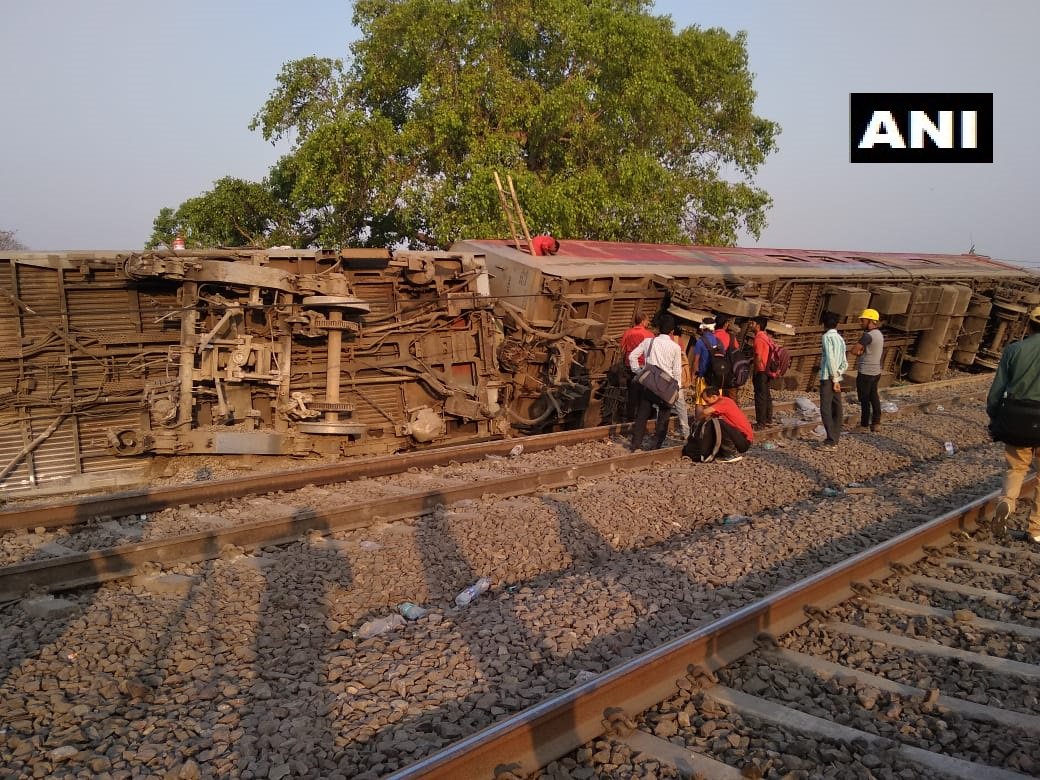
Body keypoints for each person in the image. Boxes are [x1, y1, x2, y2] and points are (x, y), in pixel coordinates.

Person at [987, 305, 1040, 544]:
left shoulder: (1014, 350)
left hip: (1016, 417)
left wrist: (994, 417)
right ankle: (1036, 529)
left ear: (1029, 324)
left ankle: (1006, 503)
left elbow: (997, 390)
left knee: (1016, 468)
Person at [627, 314, 683, 451]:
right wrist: (678, 387)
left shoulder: (649, 342)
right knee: (663, 416)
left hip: (649, 384)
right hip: (666, 386)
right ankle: (656, 445)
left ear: (658, 329)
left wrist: (638, 371)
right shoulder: (675, 347)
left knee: (642, 414)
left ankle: (636, 444)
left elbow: (632, 356)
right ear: (671, 331)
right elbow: (677, 371)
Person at [699, 385, 754, 463]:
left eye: (707, 401)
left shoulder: (724, 402)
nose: (706, 404)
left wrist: (698, 418)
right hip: (740, 437)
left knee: (718, 423)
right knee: (714, 423)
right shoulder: (724, 401)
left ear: (714, 397)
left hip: (744, 440)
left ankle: (730, 454)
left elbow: (705, 412)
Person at [818, 311, 848, 450]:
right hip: (837, 376)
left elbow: (830, 358)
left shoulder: (826, 337)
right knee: (837, 407)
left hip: (828, 377)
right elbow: (844, 362)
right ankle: (835, 436)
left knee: (825, 408)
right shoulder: (840, 339)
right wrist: (839, 375)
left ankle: (831, 440)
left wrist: (834, 379)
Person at [851, 308, 884, 432]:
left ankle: (864, 425)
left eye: (863, 320)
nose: (861, 322)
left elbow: (854, 350)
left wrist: (860, 353)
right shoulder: (879, 335)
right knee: (874, 396)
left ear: (870, 321)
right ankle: (876, 423)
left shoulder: (867, 336)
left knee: (864, 399)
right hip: (876, 372)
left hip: (865, 371)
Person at [620, 311, 655, 420]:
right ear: (643, 321)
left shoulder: (627, 332)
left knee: (631, 391)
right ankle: (640, 416)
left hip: (628, 366)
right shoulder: (649, 335)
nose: (648, 322)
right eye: (647, 320)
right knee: (642, 394)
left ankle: (629, 415)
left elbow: (622, 349)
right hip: (642, 367)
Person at [748, 316, 773, 429]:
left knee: (760, 397)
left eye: (752, 323)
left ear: (758, 325)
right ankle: (768, 419)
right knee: (766, 395)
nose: (750, 325)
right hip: (767, 370)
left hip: (761, 370)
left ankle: (760, 423)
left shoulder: (758, 338)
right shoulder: (766, 337)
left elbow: (758, 357)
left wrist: (756, 371)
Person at [691, 316, 719, 406]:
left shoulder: (700, 341)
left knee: (700, 402)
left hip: (703, 376)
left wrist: (692, 375)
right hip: (715, 376)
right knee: (714, 403)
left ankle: (699, 420)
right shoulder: (717, 340)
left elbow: (696, 361)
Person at [671, 328, 692, 439]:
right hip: (677, 377)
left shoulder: (655, 340)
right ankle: (686, 432)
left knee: (660, 405)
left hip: (662, 377)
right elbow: (683, 357)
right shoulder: (677, 340)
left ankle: (659, 431)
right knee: (681, 406)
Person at [714, 314, 742, 401]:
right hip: (729, 372)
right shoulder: (731, 337)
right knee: (730, 398)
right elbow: (736, 353)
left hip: (714, 371)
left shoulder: (710, 337)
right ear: (725, 324)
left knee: (713, 396)